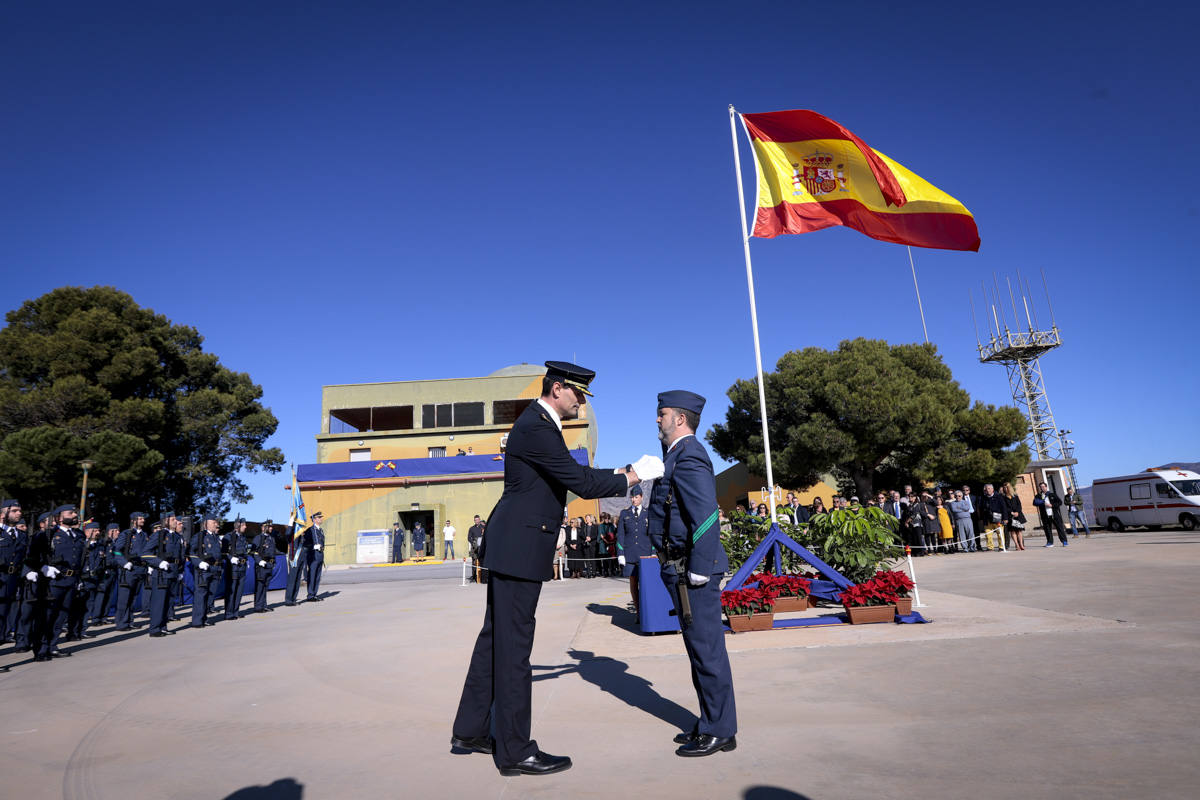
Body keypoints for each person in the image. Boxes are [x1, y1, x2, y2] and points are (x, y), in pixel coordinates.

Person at [451, 360, 654, 776]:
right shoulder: (539, 427)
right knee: (513, 650)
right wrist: (633, 475)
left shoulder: (538, 424)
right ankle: (514, 751)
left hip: (515, 545)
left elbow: (574, 474)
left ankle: (470, 730)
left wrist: (619, 473)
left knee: (496, 641)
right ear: (558, 388)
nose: (581, 402)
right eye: (578, 394)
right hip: (520, 548)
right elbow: (580, 484)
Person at [648, 390, 737, 757]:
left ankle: (720, 729)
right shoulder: (676, 455)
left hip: (692, 570)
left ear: (680, 419)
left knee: (706, 650)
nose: (657, 419)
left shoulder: (690, 454)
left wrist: (700, 568)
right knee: (697, 649)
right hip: (680, 565)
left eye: (662, 413)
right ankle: (709, 722)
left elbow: (705, 515)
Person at [31, 504, 86, 660]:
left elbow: (79, 558)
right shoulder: (47, 535)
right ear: (59, 518)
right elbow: (32, 557)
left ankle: (53, 646)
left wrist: (78, 578)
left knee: (61, 616)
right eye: (71, 513)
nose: (74, 515)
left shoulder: (79, 535)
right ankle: (41, 649)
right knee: (47, 616)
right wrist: (43, 567)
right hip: (53, 581)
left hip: (71, 580)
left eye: (75, 512)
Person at [616, 485, 652, 615]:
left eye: (636, 497)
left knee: (645, 584)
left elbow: (652, 534)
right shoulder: (624, 513)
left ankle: (646, 612)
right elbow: (620, 535)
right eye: (632, 497)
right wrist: (620, 553)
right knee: (633, 583)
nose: (633, 500)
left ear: (641, 497)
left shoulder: (648, 513)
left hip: (645, 554)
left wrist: (653, 552)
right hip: (630, 554)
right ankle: (638, 612)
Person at [113, 511, 148, 631]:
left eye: (143, 518)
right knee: (125, 597)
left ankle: (129, 620)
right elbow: (116, 550)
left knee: (133, 597)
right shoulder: (126, 534)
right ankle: (121, 623)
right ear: (134, 520)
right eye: (140, 518)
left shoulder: (144, 535)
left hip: (140, 569)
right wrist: (124, 563)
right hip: (129, 568)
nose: (143, 520)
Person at [0, 499, 26, 644]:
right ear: (3, 514)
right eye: (15, 511)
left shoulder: (21, 535)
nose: (19, 514)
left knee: (3, 616)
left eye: (20, 511)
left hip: (12, 580)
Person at [190, 514, 223, 627]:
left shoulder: (215, 537)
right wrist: (199, 563)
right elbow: (191, 552)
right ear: (206, 523)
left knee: (210, 595)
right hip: (203, 569)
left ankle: (204, 617)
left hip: (214, 568)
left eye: (216, 522)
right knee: (201, 595)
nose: (216, 524)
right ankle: (197, 620)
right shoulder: (199, 536)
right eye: (213, 522)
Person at [223, 517, 251, 619]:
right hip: (233, 567)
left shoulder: (243, 537)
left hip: (242, 567)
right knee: (232, 590)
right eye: (243, 525)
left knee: (239, 591)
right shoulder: (229, 536)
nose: (245, 527)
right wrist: (231, 558)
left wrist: (246, 559)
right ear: (238, 526)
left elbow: (244, 551)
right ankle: (229, 613)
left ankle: (235, 611)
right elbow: (224, 552)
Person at [251, 519, 279, 612]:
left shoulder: (271, 538)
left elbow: (273, 552)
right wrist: (259, 561)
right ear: (263, 528)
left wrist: (273, 562)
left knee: (265, 586)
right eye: (269, 527)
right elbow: (254, 552)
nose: (271, 528)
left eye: (271, 526)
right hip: (262, 565)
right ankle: (258, 606)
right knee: (260, 586)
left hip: (269, 565)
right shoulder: (258, 538)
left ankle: (264, 605)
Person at [1033, 482, 1069, 547]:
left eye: (1043, 486)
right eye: (1041, 487)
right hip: (1045, 516)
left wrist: (1052, 505)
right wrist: (1043, 503)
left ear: (1046, 487)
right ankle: (1050, 542)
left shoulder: (1052, 494)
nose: (1042, 488)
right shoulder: (1038, 496)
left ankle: (1064, 541)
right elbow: (1034, 503)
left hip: (1054, 514)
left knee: (1060, 528)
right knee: (1047, 529)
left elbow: (1060, 502)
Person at [305, 512, 326, 601]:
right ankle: (310, 595)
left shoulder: (320, 530)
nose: (321, 519)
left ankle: (314, 594)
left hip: (320, 555)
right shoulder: (310, 530)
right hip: (313, 556)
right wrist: (314, 546)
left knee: (317, 576)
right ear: (314, 519)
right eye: (319, 517)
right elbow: (306, 543)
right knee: (312, 575)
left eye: (321, 517)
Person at [981, 484, 1009, 551]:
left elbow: (1004, 508)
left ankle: (1001, 547)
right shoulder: (983, 498)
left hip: (998, 518)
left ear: (992, 489)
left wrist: (1005, 518)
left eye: (989, 488)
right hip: (987, 519)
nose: (987, 490)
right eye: (986, 489)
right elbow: (981, 508)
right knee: (988, 534)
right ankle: (990, 547)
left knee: (1000, 534)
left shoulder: (999, 496)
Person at [1001, 483, 1027, 550]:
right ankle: (1016, 545)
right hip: (1010, 516)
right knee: (1013, 531)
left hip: (1018, 515)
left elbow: (1019, 505)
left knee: (1019, 531)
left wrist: (1017, 512)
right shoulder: (1003, 497)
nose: (1005, 489)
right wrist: (1011, 512)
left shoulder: (1015, 496)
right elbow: (1004, 507)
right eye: (1004, 488)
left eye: (1006, 487)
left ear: (1009, 488)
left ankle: (1021, 544)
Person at [467, 515, 486, 583]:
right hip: (474, 548)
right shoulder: (471, 528)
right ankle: (474, 577)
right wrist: (473, 542)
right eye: (475, 520)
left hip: (481, 547)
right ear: (474, 521)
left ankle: (482, 577)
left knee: (482, 562)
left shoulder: (483, 527)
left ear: (479, 520)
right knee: (474, 562)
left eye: (478, 520)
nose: (476, 521)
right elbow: (469, 538)